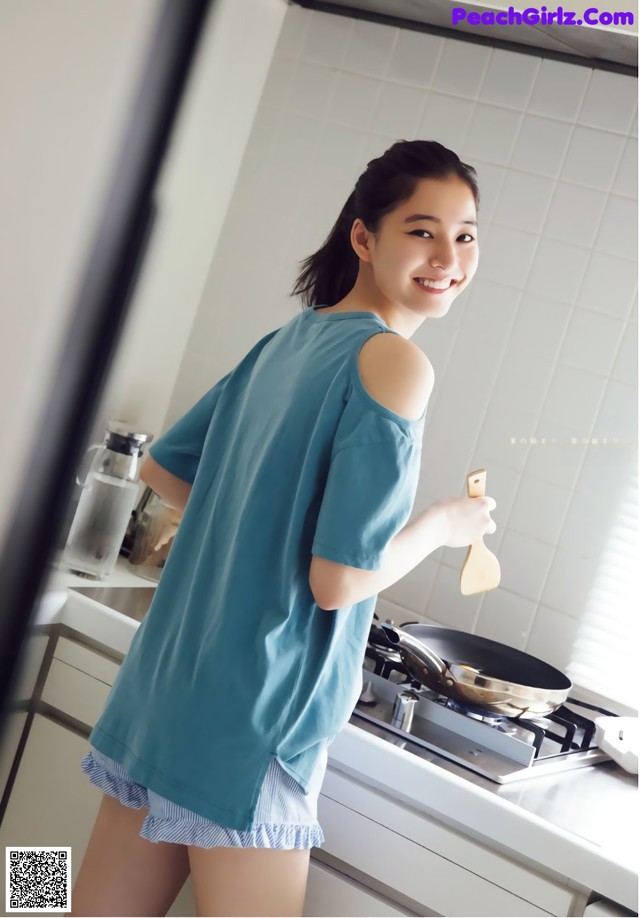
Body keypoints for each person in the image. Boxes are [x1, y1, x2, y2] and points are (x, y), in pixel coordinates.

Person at [71, 139, 497, 918]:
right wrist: (442, 524)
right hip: (256, 723)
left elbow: (165, 469)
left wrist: (246, 530)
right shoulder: (395, 363)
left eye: (465, 235)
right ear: (364, 238)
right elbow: (337, 581)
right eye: (422, 230)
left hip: (167, 689)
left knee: (71, 908)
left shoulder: (286, 342)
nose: (448, 256)